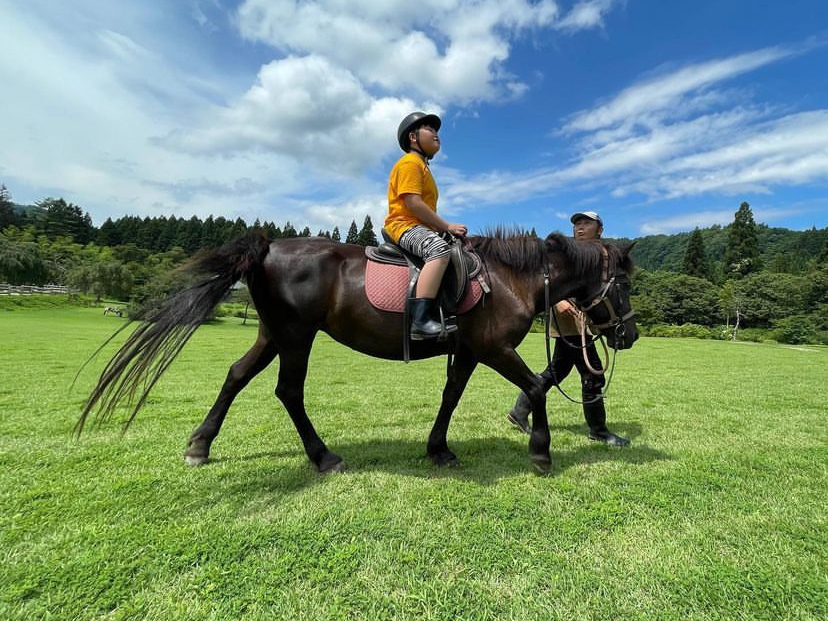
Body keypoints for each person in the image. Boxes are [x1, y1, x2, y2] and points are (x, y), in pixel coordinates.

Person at [506, 211, 630, 446]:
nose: (580, 227)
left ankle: (520, 411)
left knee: (557, 370)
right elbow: (545, 280)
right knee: (593, 373)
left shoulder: (601, 254)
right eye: (577, 224)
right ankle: (599, 430)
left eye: (586, 223)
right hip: (568, 320)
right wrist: (558, 302)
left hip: (585, 320)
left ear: (600, 229)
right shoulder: (565, 251)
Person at [384, 111, 468, 340]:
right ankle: (420, 321)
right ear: (413, 137)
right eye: (429, 129)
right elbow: (413, 203)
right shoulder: (410, 163)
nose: (436, 134)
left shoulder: (422, 167)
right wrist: (447, 226)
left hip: (419, 226)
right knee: (439, 250)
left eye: (436, 130)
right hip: (404, 225)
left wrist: (442, 229)